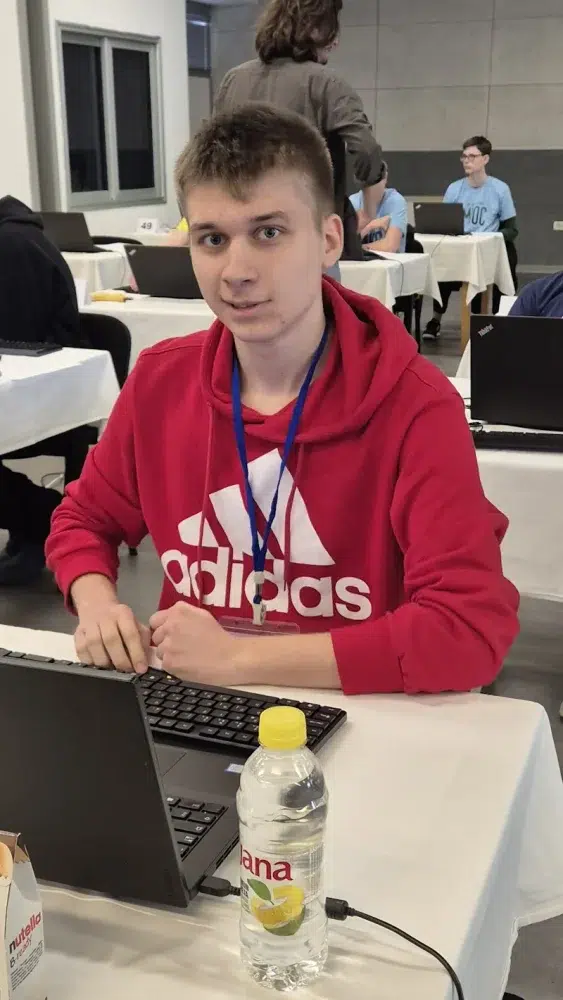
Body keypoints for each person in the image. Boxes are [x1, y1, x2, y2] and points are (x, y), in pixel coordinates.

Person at [46, 104, 518, 695]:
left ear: (329, 240)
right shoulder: (160, 381)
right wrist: (96, 603)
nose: (236, 271)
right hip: (197, 704)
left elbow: (467, 629)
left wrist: (239, 659)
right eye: (212, 239)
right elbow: (82, 519)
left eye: (268, 233)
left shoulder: (416, 406)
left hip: (360, 712)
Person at [213, 0, 383, 262]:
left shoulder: (233, 81)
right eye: (332, 29)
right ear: (314, 29)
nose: (336, 41)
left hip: (245, 230)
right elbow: (366, 150)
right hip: (309, 232)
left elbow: (211, 154)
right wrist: (368, 207)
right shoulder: (327, 83)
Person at [0, 195, 82, 585]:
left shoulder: (11, 246)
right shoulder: (15, 238)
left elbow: (15, 337)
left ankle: (47, 518)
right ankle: (39, 520)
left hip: (43, 391)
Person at [424, 136, 518, 339]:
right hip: (460, 247)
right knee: (439, 260)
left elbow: (512, 230)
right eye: (464, 156)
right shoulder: (454, 189)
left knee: (510, 256)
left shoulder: (500, 189)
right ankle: (435, 319)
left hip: (486, 250)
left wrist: (490, 237)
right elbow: (444, 223)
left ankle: (499, 319)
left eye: (472, 156)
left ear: (485, 159)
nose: (467, 161)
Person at [349, 162, 408, 253]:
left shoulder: (396, 201)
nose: (372, 189)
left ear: (385, 178)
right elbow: (346, 245)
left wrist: (358, 248)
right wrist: (370, 226)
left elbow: (390, 246)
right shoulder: (353, 202)